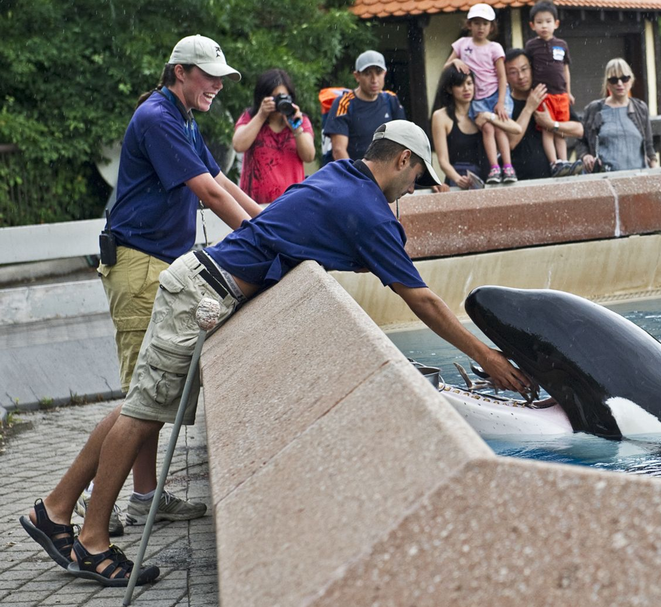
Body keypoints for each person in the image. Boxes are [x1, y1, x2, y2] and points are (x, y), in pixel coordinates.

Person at [20, 120, 533, 588]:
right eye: (417, 175)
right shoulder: (366, 209)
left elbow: (309, 228)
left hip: (198, 281)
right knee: (144, 415)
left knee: (139, 406)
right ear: (402, 160)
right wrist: (485, 356)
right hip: (203, 293)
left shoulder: (340, 176)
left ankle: (56, 509)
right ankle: (89, 540)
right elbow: (420, 298)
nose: (412, 188)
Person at [20, 34, 260, 575]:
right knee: (142, 403)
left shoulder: (183, 117)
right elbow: (211, 194)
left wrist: (267, 220)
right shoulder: (157, 117)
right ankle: (75, 523)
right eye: (208, 76)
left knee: (147, 401)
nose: (217, 86)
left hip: (159, 264)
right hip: (141, 266)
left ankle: (66, 511)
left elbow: (223, 179)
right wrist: (268, 242)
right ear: (179, 72)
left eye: (222, 77)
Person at [444, 4, 514, 184]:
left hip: (495, 94)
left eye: (485, 23)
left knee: (499, 127)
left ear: (491, 26)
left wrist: (500, 102)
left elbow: (502, 76)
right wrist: (456, 60)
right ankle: (494, 168)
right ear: (469, 25)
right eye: (476, 23)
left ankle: (508, 166)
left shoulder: (495, 47)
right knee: (487, 128)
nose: (480, 27)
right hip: (478, 99)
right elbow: (446, 66)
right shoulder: (462, 44)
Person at [429, 66, 522, 189]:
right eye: (460, 85)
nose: (466, 89)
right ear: (449, 89)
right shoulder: (441, 116)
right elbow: (443, 160)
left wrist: (490, 116)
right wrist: (457, 179)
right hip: (458, 182)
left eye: (469, 83)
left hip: (490, 180)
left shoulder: (483, 112)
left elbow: (517, 129)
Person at [231, 68, 315, 203]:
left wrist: (296, 128)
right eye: (274, 98)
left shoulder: (300, 120)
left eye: (283, 97)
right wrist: (261, 115)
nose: (278, 103)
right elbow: (238, 145)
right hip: (254, 204)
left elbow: (309, 156)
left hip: (291, 203)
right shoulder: (251, 117)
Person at [504, 48, 585, 180]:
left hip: (556, 179)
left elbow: (579, 130)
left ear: (532, 68)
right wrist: (529, 108)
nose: (521, 76)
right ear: (505, 77)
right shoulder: (505, 104)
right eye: (513, 72)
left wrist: (552, 124)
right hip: (520, 180)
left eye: (524, 69)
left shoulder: (549, 96)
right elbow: (510, 143)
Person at [323, 50, 405, 163]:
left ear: (385, 74)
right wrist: (356, 177)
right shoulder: (344, 103)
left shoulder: (391, 100)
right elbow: (338, 150)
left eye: (378, 72)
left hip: (385, 174)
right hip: (354, 174)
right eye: (367, 73)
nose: (374, 79)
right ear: (357, 76)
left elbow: (402, 140)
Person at [578, 58, 657, 173]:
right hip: (605, 179)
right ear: (607, 83)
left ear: (631, 80)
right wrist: (585, 156)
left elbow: (649, 146)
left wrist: (656, 173)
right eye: (614, 80)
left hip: (638, 177)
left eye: (624, 78)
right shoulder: (594, 109)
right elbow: (581, 140)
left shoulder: (640, 108)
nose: (620, 84)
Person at [524, 2, 573, 166]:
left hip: (561, 95)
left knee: (560, 131)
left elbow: (565, 70)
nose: (544, 26)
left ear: (556, 23)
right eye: (539, 22)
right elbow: (528, 69)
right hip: (543, 94)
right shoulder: (531, 46)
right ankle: (554, 162)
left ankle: (564, 162)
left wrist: (568, 92)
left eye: (548, 21)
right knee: (547, 129)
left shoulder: (562, 45)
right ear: (532, 25)